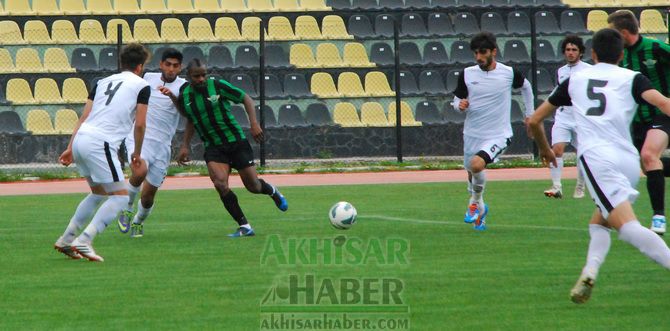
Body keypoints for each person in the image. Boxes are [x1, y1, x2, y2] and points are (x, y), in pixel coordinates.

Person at [528, 28, 670, 304]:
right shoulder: (633, 78)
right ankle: (589, 272)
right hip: (628, 159)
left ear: (591, 54)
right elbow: (664, 104)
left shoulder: (575, 79)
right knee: (600, 221)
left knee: (628, 228)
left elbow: (534, 120)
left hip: (597, 158)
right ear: (621, 54)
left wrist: (545, 149)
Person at [162, 59, 287, 237]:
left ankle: (272, 191)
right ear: (189, 76)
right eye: (196, 76)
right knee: (220, 184)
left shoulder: (217, 85)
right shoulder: (186, 94)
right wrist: (185, 145)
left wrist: (253, 123)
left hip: (235, 141)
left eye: (203, 75)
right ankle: (244, 226)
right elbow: (190, 118)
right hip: (213, 147)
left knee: (253, 186)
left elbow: (245, 98)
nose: (201, 79)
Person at [54, 43, 151, 262]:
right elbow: (140, 125)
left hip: (83, 138)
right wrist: (136, 152)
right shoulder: (142, 85)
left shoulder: (102, 82)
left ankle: (67, 239)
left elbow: (84, 116)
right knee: (120, 198)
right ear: (140, 66)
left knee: (98, 193)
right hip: (101, 142)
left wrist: (71, 147)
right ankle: (85, 240)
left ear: (122, 63)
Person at [453, 31, 535, 231]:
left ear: (493, 52)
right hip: (472, 134)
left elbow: (526, 87)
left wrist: (530, 114)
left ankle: (473, 202)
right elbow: (456, 100)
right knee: (472, 174)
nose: (479, 57)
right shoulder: (467, 74)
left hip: (498, 134)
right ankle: (481, 211)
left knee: (476, 165)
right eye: (476, 53)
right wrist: (459, 105)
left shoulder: (508, 73)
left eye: (483, 52)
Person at [608, 10, 670, 235]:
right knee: (646, 165)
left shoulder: (654, 48)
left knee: (648, 155)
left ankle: (659, 218)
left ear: (624, 32)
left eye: (614, 32)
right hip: (636, 119)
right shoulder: (619, 57)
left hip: (662, 113)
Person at [116, 48, 187, 238]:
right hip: (140, 138)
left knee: (147, 198)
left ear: (180, 68)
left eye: (175, 66)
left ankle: (138, 222)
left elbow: (187, 114)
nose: (171, 69)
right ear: (161, 65)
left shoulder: (184, 87)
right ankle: (127, 208)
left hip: (163, 146)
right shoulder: (147, 78)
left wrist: (172, 96)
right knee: (139, 171)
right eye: (168, 64)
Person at [543, 35, 590, 199]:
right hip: (563, 115)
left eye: (574, 50)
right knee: (557, 150)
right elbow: (558, 91)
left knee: (582, 154)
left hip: (580, 117)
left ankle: (580, 185)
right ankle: (556, 186)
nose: (570, 53)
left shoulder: (587, 70)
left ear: (581, 52)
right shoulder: (560, 71)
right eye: (568, 50)